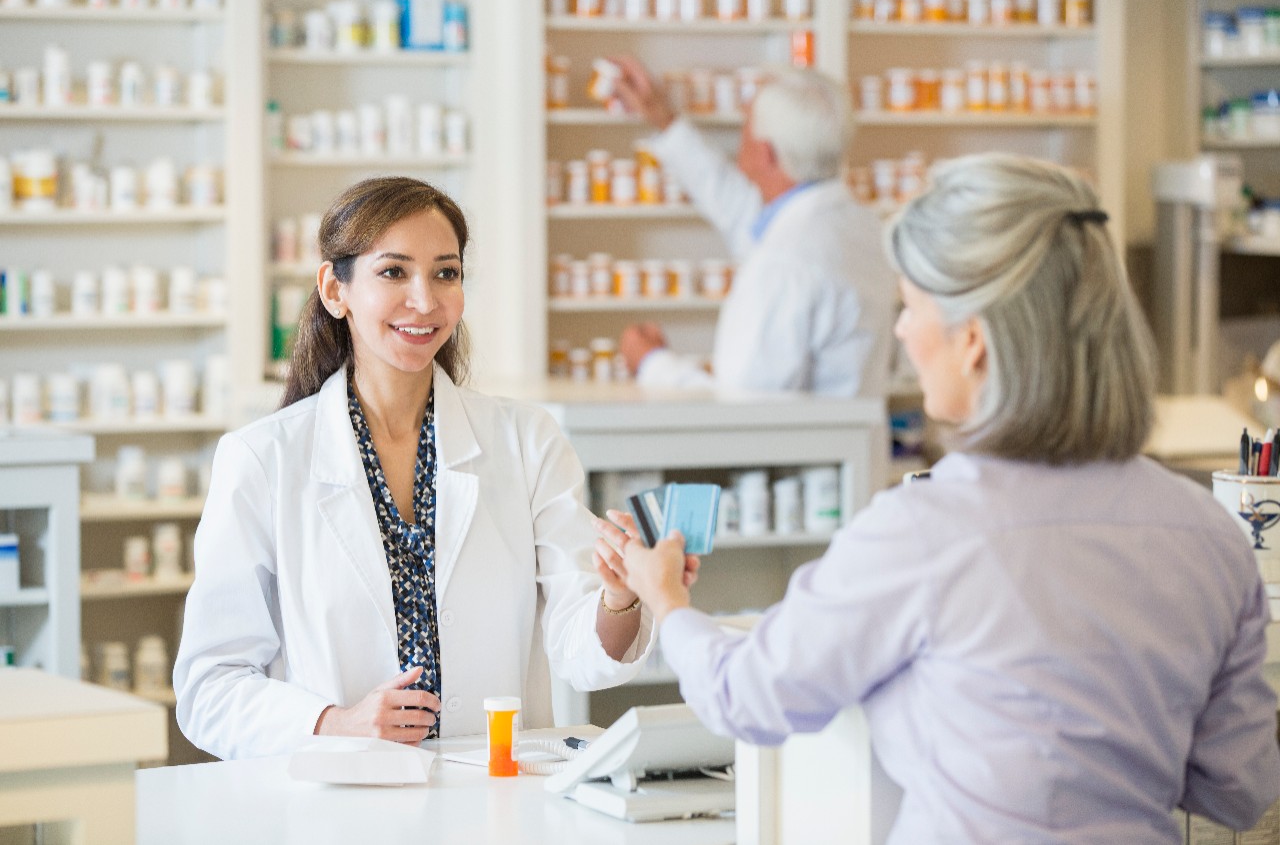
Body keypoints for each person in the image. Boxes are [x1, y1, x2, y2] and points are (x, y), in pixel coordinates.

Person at [604, 154, 1280, 841]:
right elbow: (1240, 788)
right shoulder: (1209, 532)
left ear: (974, 343)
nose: (901, 331)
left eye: (913, 308)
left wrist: (667, 600)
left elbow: (744, 696)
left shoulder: (926, 530)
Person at [175, 176, 657, 761]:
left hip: (493, 797)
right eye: (393, 272)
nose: (425, 301)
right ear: (335, 289)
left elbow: (582, 651)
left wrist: (622, 598)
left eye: (446, 273)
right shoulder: (263, 458)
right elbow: (209, 689)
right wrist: (336, 722)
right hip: (338, 803)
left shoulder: (526, 441)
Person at [608, 57, 896, 396]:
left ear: (765, 153)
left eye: (745, 126)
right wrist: (662, 118)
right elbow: (733, 205)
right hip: (857, 444)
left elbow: (743, 409)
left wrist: (652, 364)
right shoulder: (862, 227)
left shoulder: (784, 262)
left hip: (803, 448)